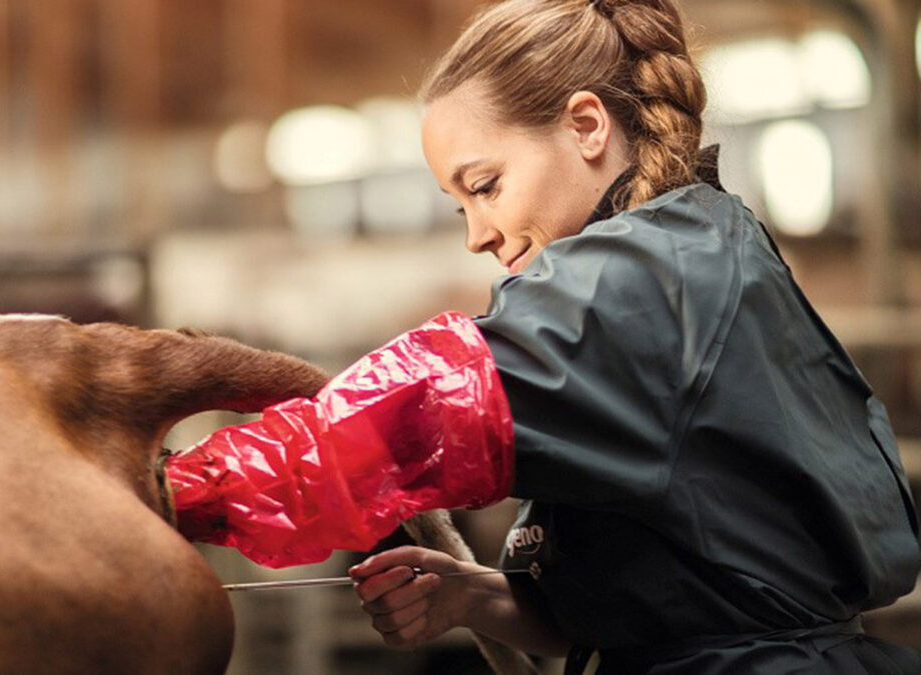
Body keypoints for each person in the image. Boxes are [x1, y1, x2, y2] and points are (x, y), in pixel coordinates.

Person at [165, 0, 921, 672]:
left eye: (486, 186)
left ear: (587, 126)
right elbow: (675, 601)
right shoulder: (697, 247)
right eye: (459, 204)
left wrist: (169, 492)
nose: (477, 236)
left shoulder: (639, 282)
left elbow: (397, 421)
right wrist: (473, 596)